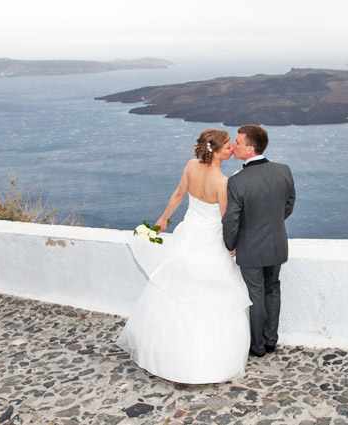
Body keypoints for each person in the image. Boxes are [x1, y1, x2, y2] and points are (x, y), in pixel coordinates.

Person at [117, 128, 252, 384]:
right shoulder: (223, 182)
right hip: (210, 241)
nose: (232, 148)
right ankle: (205, 363)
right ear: (216, 151)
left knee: (173, 290)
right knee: (211, 294)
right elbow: (226, 220)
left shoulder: (191, 166)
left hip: (188, 235)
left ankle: (165, 355)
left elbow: (178, 194)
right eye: (228, 146)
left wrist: (163, 219)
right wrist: (235, 243)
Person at [222, 125, 296, 357]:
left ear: (250, 148)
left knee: (255, 295)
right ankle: (270, 340)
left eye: (237, 142)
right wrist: (272, 224)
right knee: (272, 289)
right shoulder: (283, 170)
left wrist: (230, 244)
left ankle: (257, 347)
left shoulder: (237, 181)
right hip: (277, 243)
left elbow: (231, 220)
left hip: (250, 247)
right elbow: (288, 205)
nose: (233, 146)